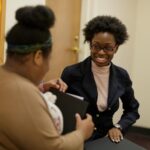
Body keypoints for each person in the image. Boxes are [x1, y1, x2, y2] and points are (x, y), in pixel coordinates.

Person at [0, 5, 94, 150]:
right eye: (49, 59)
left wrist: (42, 88)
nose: (48, 67)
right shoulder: (25, 94)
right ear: (38, 57)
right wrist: (81, 133)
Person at [61, 15, 140, 143]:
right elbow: (62, 110)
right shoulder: (71, 73)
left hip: (106, 138)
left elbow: (132, 109)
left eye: (108, 48)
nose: (101, 52)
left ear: (116, 48)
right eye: (96, 46)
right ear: (90, 45)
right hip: (78, 137)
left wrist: (118, 127)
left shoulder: (122, 75)